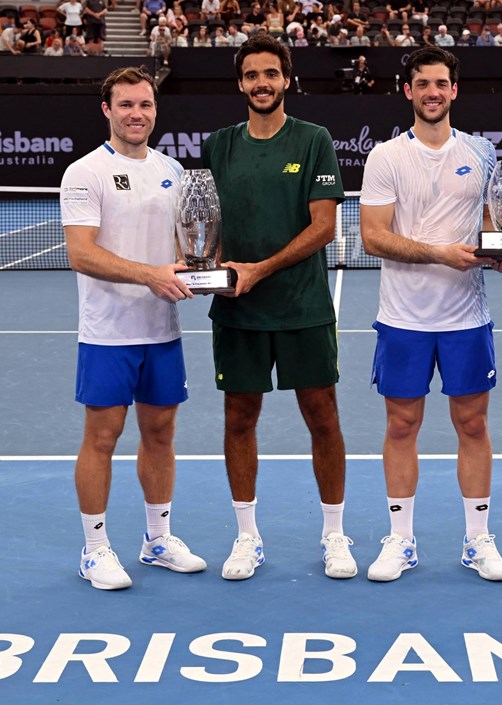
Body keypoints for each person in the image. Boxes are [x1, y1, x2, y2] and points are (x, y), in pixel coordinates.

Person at [199, 36, 356, 581]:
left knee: (323, 419)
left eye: (271, 73)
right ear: (239, 83)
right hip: (236, 312)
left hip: (303, 308)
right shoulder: (218, 145)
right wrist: (203, 265)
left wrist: (258, 270)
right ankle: (246, 537)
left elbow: (324, 226)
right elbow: (209, 229)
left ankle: (334, 534)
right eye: (251, 75)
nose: (261, 83)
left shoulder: (314, 140)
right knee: (239, 418)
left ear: (286, 79)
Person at [358, 47, 502, 584]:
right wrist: (438, 252)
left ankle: (477, 540)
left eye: (441, 83)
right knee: (402, 425)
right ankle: (400, 540)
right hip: (403, 318)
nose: (432, 92)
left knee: (473, 424)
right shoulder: (385, 157)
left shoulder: (483, 152)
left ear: (454, 91)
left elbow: (496, 222)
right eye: (422, 83)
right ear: (408, 90)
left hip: (467, 317)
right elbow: (373, 236)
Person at [59, 66, 207, 591]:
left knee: (161, 434)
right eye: (125, 105)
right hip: (106, 333)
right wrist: (149, 275)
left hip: (161, 330)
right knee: (102, 437)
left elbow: (184, 248)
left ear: (155, 110)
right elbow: (81, 252)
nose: (136, 114)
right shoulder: (85, 173)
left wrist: (209, 270)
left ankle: (157, 540)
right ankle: (95, 549)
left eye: (144, 104)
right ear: (107, 110)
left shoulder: (175, 173)